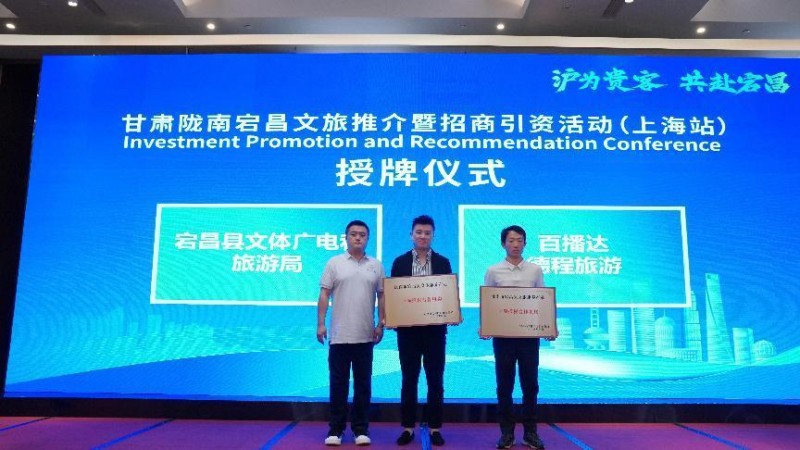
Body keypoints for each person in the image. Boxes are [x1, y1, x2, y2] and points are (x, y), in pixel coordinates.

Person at [482, 225, 556, 450]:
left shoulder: (535, 270)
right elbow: (488, 302)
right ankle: (506, 433)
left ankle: (530, 433)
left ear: (525, 243)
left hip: (528, 337)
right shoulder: (493, 271)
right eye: (511, 240)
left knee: (530, 385)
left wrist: (549, 326)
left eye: (520, 240)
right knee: (504, 386)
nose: (515, 244)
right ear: (503, 243)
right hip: (503, 337)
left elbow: (542, 300)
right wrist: (485, 326)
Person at [317, 220, 386, 446]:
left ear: (368, 239)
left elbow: (382, 296)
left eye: (362, 235)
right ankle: (336, 430)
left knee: (363, 386)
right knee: (338, 385)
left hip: (365, 335)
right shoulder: (334, 263)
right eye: (354, 234)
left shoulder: (376, 265)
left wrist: (381, 324)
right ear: (346, 237)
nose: (358, 237)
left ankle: (360, 429)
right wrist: (320, 324)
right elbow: (324, 294)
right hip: (339, 335)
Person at [390, 215, 452, 447]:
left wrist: (451, 313)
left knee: (435, 380)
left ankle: (435, 427)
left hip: (435, 332)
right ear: (411, 235)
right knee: (409, 379)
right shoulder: (400, 262)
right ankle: (408, 427)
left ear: (433, 236)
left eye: (427, 233)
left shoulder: (443, 262)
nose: (423, 236)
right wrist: (392, 316)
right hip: (408, 332)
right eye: (419, 232)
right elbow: (394, 296)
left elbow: (447, 295)